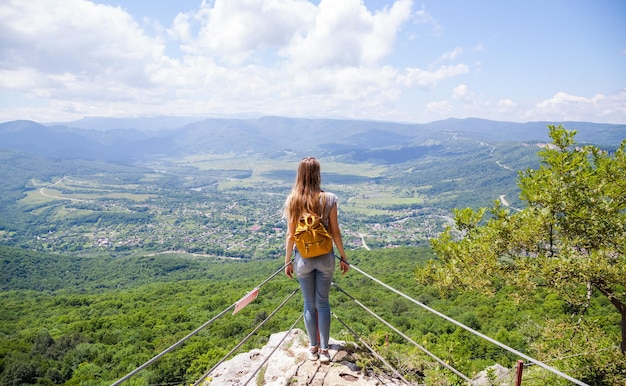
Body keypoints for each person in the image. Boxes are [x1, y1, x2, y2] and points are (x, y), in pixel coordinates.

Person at [283, 156, 349, 363]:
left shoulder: (293, 200)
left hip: (303, 259)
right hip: (326, 258)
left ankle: (312, 348)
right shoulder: (329, 199)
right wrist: (344, 257)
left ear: (300, 174)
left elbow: (290, 235)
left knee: (309, 304)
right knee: (323, 303)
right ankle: (324, 350)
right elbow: (335, 231)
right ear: (318, 174)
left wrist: (287, 262)